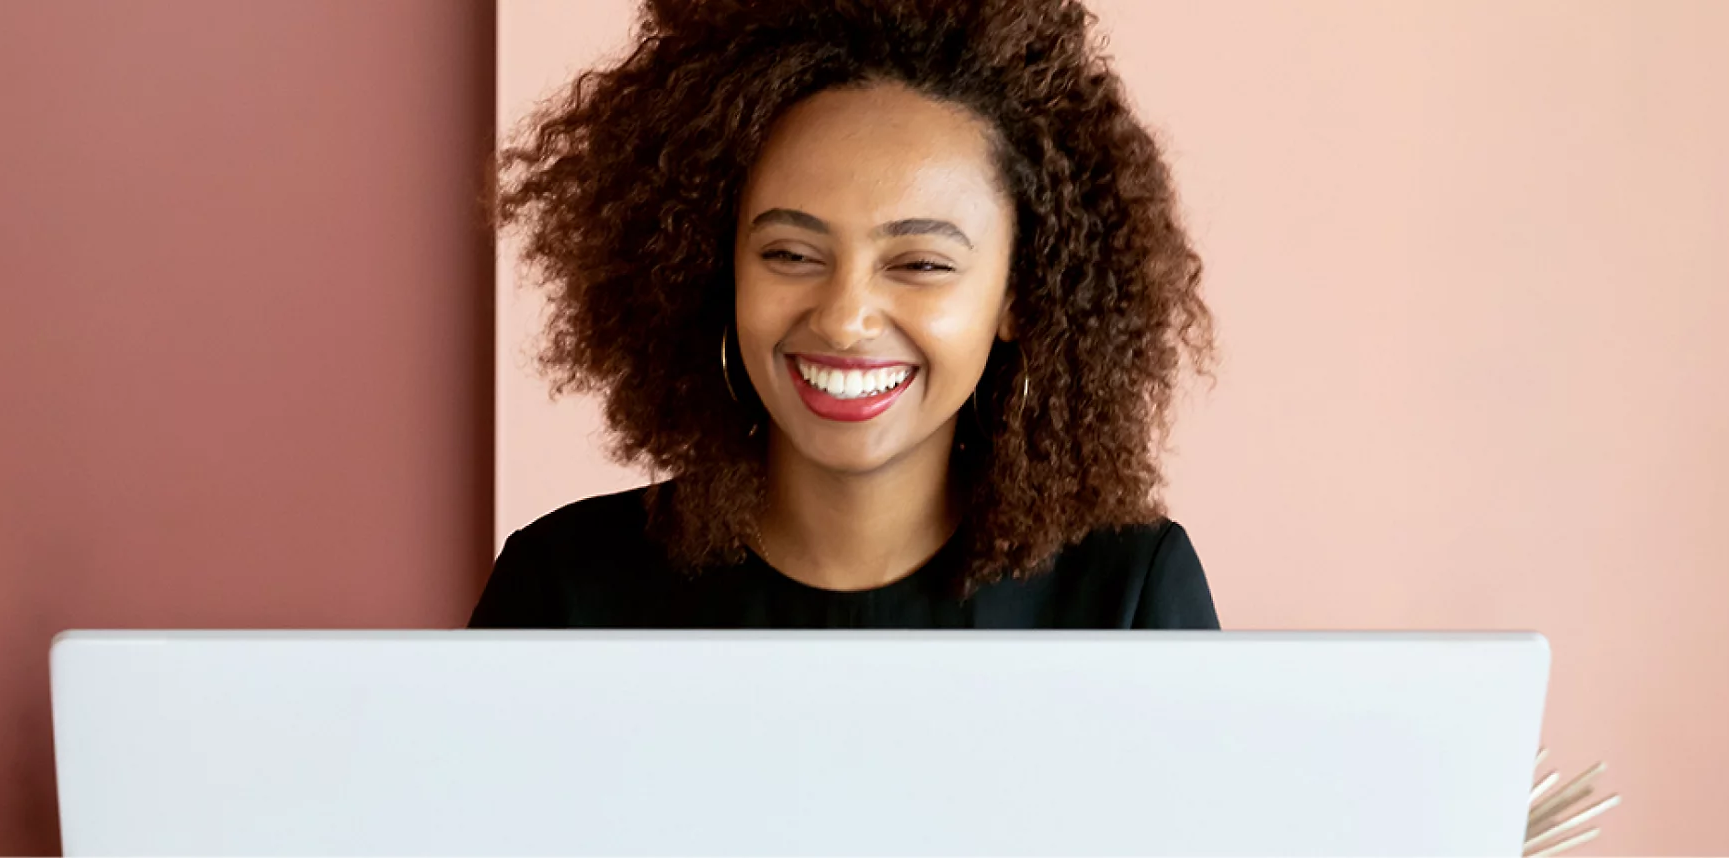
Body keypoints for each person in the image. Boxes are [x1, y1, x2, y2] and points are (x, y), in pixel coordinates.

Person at [475, 0, 1218, 628]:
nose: (844, 317)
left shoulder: (1125, 595)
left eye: (920, 264)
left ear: (1020, 296)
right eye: (791, 254)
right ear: (715, 268)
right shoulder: (565, 591)